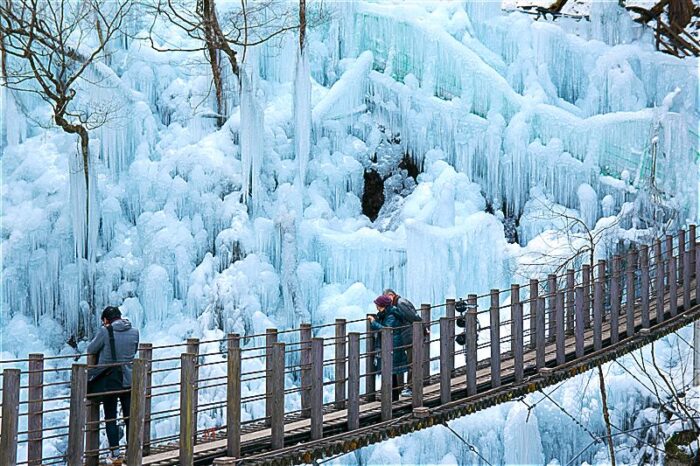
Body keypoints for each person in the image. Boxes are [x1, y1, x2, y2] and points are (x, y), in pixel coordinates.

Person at [87, 306, 140, 464]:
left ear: (106, 320)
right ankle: (132, 450)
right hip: (128, 380)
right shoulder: (135, 332)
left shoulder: (105, 331)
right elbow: (134, 351)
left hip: (110, 380)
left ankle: (115, 453)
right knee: (129, 417)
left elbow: (91, 349)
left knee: (111, 417)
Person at [383, 289, 423, 398]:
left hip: (410, 335)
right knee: (405, 362)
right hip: (405, 337)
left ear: (391, 295)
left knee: (412, 362)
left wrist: (422, 328)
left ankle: (411, 388)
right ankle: (401, 388)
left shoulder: (401, 303)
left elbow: (414, 317)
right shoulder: (397, 304)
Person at [368, 295, 408, 401]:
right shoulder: (388, 313)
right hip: (392, 345)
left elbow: (387, 329)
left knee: (389, 371)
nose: (376, 307)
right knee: (391, 371)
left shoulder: (391, 315)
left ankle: (389, 397)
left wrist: (373, 323)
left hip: (392, 346)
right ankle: (393, 396)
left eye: (377, 305)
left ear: (382, 306)